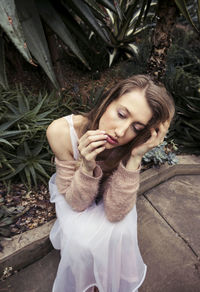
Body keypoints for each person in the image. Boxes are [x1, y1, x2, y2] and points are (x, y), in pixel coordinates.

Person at [47, 74, 175, 292]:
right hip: (74, 190)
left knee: (120, 228)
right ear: (108, 101)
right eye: (121, 114)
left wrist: (135, 157)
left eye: (136, 127)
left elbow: (115, 211)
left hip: (112, 191)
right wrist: (86, 166)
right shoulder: (61, 132)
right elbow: (77, 204)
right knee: (80, 242)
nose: (121, 132)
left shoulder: (133, 144)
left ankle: (107, 279)